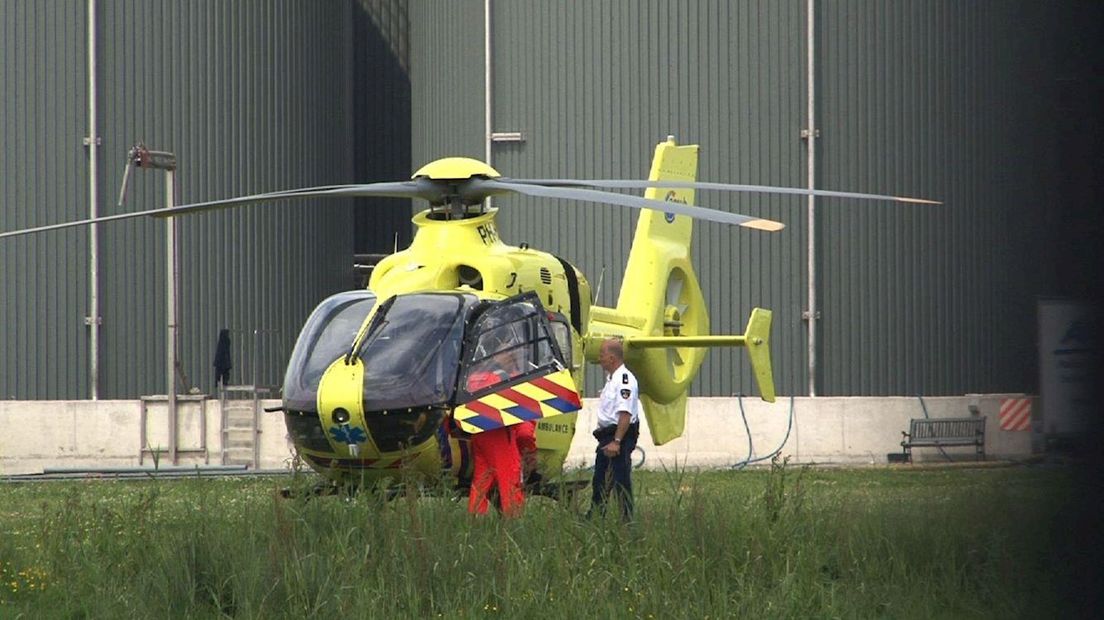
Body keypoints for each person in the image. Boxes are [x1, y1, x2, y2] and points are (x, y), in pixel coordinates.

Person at [465, 344, 528, 517]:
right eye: (509, 353)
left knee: (481, 480)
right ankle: (514, 519)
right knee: (510, 476)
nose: (512, 357)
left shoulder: (474, 376)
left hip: (478, 433)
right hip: (499, 433)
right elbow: (518, 406)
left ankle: (475, 518)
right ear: (498, 355)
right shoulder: (504, 377)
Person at [589, 338, 640, 521]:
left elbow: (625, 414)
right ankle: (596, 516)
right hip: (607, 437)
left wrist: (617, 442)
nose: (599, 358)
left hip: (618, 436)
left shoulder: (624, 380)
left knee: (620, 480)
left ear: (612, 358)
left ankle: (626, 520)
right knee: (601, 480)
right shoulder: (612, 380)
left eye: (602, 354)